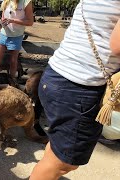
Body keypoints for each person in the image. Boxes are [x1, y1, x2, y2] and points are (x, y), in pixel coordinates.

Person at [30, 1, 120, 179]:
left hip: (59, 77)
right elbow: (117, 45)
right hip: (78, 87)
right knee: (62, 164)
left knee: (57, 154)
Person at [0, 0, 33, 79]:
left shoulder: (26, 2)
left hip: (17, 35)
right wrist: (2, 22)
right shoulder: (6, 1)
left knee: (13, 62)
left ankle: (11, 83)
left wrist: (12, 21)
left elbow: (30, 22)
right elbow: (3, 17)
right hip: (4, 34)